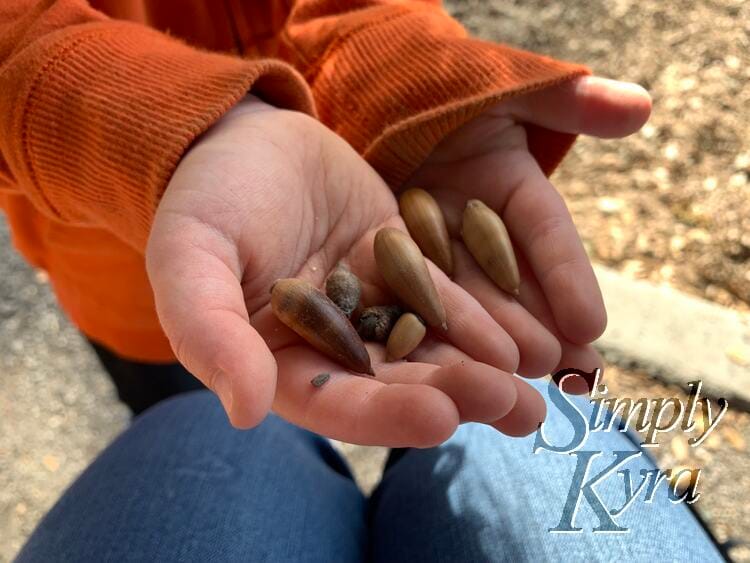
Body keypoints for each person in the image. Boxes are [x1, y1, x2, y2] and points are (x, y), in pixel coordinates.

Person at [3, 1, 720, 559]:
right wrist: (163, 125)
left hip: (340, 186)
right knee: (214, 412)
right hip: (117, 271)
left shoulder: (378, 283)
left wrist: (397, 75)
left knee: (214, 444)